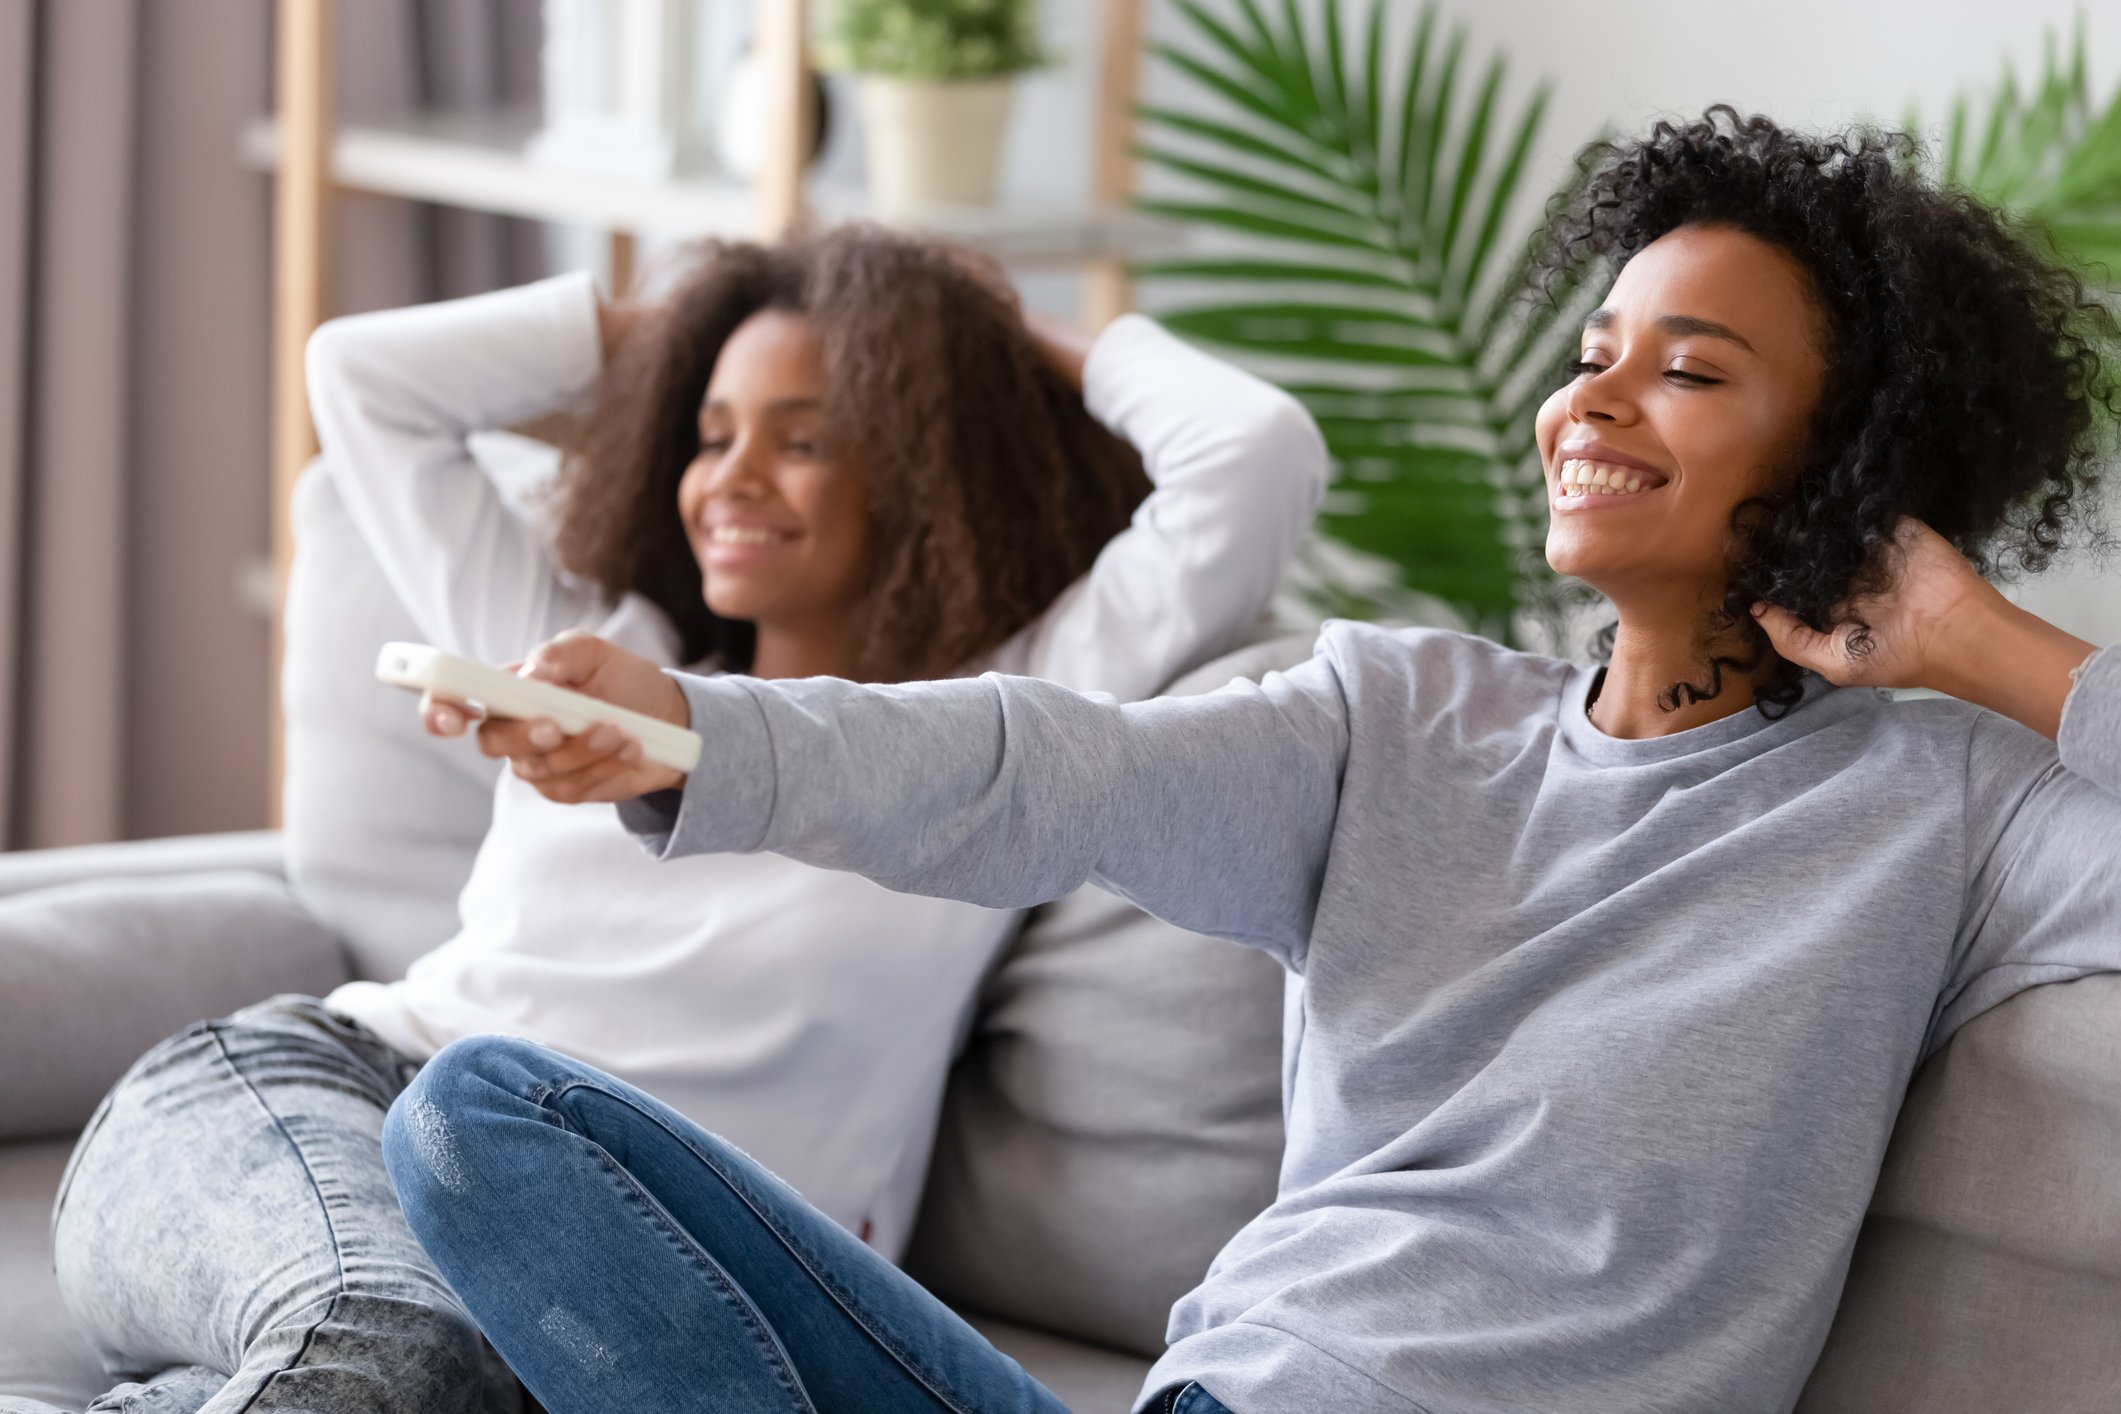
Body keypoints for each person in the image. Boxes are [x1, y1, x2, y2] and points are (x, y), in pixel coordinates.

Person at [383, 109, 2119, 1414]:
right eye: (1591, 356)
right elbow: (1043, 767)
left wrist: (1969, 637)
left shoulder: (1943, 808)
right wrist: (684, 730)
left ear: (1843, 453)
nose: (1590, 402)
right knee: (484, 1113)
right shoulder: (1391, 716)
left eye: (1688, 372)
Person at [35, 226, 1325, 1414]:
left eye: (802, 439)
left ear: (926, 462)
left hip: (621, 1269)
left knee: (420, 1378)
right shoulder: (600, 654)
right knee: (392, 1341)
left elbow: (1255, 452)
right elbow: (364, 379)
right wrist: (712, 318)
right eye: (710, 434)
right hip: (321, 1103)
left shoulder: (1002, 725)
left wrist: (968, 345)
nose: (731, 479)